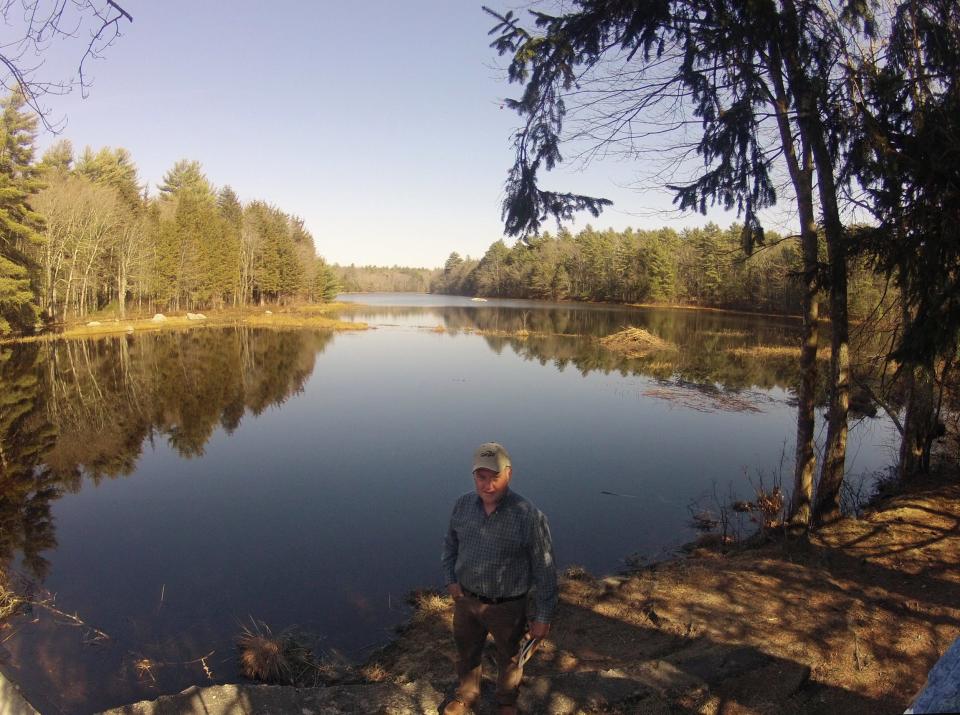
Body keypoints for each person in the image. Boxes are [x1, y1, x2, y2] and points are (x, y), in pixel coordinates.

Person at [441, 442, 558, 715]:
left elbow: (545, 569)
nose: (488, 485)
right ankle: (467, 696)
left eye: (495, 477)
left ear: (509, 474)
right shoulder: (462, 506)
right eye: (481, 477)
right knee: (467, 653)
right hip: (467, 600)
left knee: (509, 658)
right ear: (474, 477)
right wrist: (451, 580)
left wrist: (543, 616)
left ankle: (506, 701)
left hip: (508, 605)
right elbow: (450, 546)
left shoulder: (528, 516)